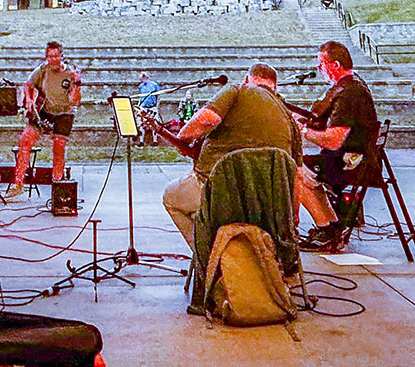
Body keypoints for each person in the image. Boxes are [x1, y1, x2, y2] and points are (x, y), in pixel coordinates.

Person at [159, 63, 301, 249]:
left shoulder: (238, 90)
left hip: (224, 192)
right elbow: (296, 175)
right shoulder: (289, 117)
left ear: (248, 79)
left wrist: (183, 135)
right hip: (270, 204)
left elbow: (206, 119)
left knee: (172, 197)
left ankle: (209, 259)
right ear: (275, 87)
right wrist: (292, 217)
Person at [295, 40, 382, 251]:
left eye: (321, 65)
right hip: (355, 157)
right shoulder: (352, 86)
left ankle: (327, 229)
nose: (319, 70)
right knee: (303, 170)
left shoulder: (348, 94)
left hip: (351, 163)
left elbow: (334, 141)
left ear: (334, 65)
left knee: (293, 169)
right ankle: (331, 226)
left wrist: (303, 131)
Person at [5, 41, 83, 197]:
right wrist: (28, 100)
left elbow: (75, 102)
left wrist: (77, 84)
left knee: (59, 146)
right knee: (25, 141)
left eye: (56, 56)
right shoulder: (43, 70)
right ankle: (18, 183)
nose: (52, 59)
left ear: (62, 56)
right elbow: (28, 85)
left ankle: (57, 184)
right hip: (44, 110)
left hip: (63, 113)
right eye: (49, 56)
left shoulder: (70, 74)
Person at [134, 72, 161, 145]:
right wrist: (139, 106)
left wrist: (156, 106)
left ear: (145, 78)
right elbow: (141, 97)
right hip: (144, 107)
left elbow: (158, 96)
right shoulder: (141, 86)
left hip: (152, 107)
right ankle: (141, 141)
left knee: (154, 124)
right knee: (142, 124)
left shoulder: (154, 85)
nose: (141, 81)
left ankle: (155, 141)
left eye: (142, 79)